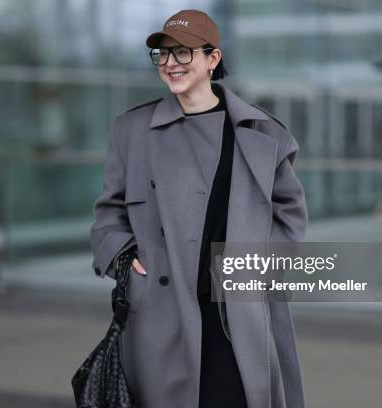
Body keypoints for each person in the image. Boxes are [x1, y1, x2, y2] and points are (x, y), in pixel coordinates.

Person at [89, 9, 308, 408]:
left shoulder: (262, 134)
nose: (171, 63)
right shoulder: (132, 131)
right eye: (163, 54)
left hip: (236, 315)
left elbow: (289, 215)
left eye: (183, 53)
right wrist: (124, 256)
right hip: (160, 313)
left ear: (213, 59)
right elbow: (108, 213)